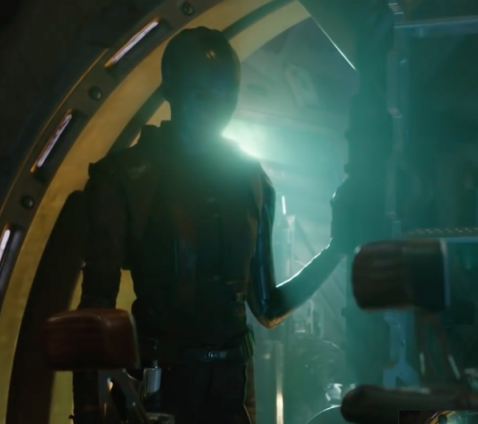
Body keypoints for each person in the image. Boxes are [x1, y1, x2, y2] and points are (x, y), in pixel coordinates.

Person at [72, 27, 354, 424]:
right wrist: (89, 412)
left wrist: (336, 249)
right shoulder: (125, 178)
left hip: (230, 387)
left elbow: (267, 306)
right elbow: (94, 314)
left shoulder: (251, 180)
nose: (217, 109)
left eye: (227, 95)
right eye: (203, 95)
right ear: (171, 91)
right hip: (161, 387)